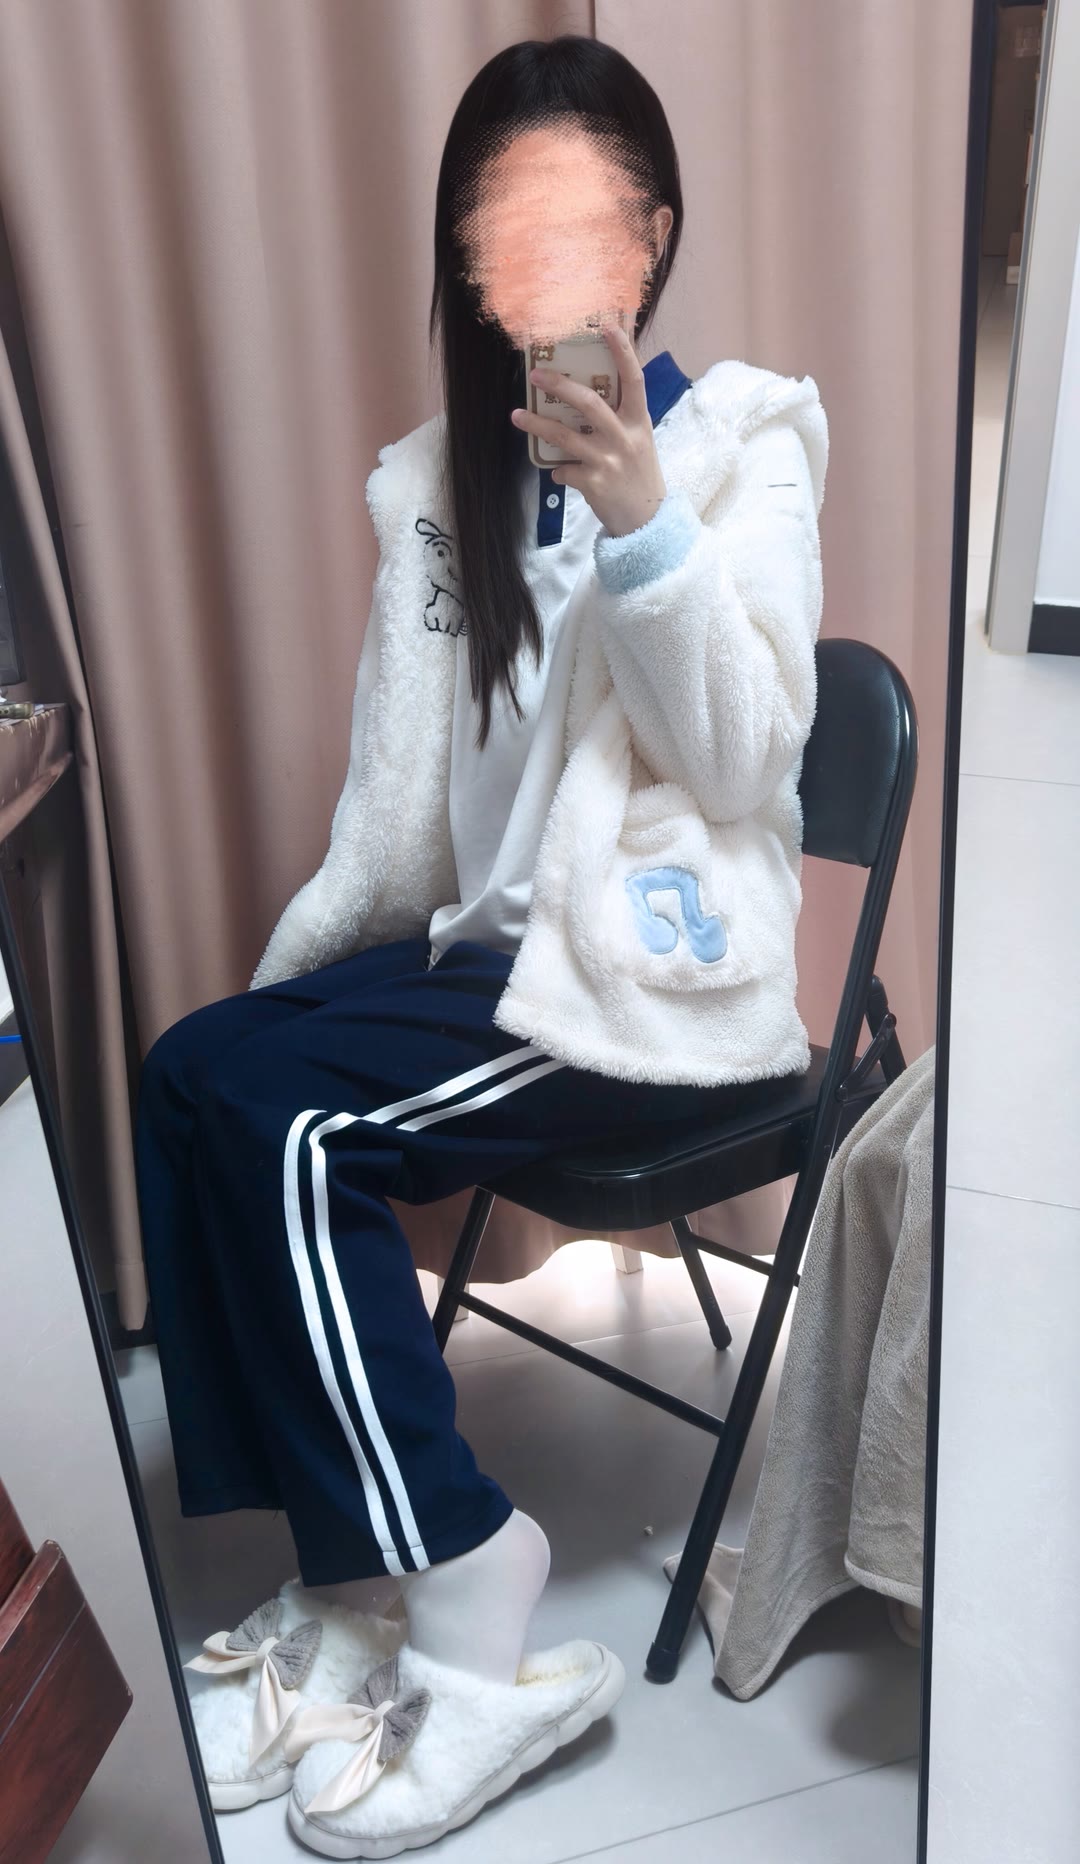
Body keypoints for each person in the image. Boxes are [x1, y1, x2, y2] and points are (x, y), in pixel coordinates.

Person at [135, 31, 828, 1861]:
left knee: (292, 1129)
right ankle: (342, 1571)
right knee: (196, 1073)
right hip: (485, 959)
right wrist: (312, 963)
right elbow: (406, 803)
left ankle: (462, 1574)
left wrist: (643, 522)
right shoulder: (445, 489)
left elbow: (749, 757)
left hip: (635, 981)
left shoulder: (746, 441)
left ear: (653, 235)